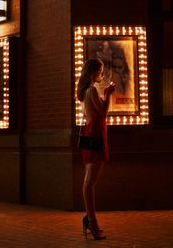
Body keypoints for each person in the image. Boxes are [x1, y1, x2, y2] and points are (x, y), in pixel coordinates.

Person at [77, 58, 115, 240]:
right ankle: (92, 221)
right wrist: (109, 95)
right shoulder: (91, 90)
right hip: (95, 135)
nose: (102, 74)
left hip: (92, 133)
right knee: (90, 181)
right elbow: (103, 113)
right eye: (100, 71)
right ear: (93, 73)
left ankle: (91, 219)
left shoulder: (86, 90)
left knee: (90, 180)